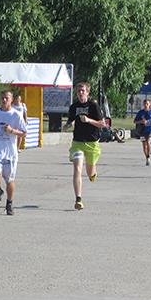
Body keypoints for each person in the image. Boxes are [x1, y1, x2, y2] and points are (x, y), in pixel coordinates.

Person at [65, 82, 107, 210]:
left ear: (87, 92)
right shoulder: (74, 107)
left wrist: (88, 120)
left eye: (83, 90)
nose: (80, 93)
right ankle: (78, 199)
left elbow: (102, 124)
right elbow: (70, 120)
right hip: (78, 142)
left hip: (92, 142)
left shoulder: (93, 106)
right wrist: (67, 125)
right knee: (77, 169)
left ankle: (93, 173)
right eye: (78, 91)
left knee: (90, 173)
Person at [0, 90, 27, 216]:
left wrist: (11, 130)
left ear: (11, 100)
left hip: (10, 154)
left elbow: (24, 132)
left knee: (9, 180)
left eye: (6, 98)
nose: (4, 100)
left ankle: (9, 203)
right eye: (2, 98)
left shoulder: (16, 115)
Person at [134, 99, 151, 165]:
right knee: (144, 145)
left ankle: (149, 155)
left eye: (147, 104)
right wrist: (141, 121)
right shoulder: (140, 112)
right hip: (142, 130)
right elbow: (135, 121)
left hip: (150, 130)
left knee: (148, 142)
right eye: (145, 104)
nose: (146, 105)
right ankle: (147, 157)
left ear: (149, 104)